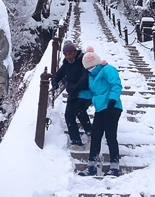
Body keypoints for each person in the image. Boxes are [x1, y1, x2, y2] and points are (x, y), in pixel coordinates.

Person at [78, 46, 123, 177]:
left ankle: (114, 167)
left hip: (112, 107)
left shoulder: (107, 69)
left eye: (91, 66)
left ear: (96, 63)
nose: (90, 69)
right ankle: (91, 166)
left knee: (110, 136)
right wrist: (77, 95)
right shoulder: (92, 76)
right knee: (96, 136)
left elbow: (116, 85)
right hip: (100, 108)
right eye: (87, 68)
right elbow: (93, 92)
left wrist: (112, 100)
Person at [50, 41, 92, 146]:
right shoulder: (66, 64)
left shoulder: (82, 60)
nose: (68, 57)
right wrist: (54, 83)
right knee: (68, 115)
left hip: (84, 92)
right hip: (73, 92)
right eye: (65, 54)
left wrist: (76, 87)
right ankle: (76, 140)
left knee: (79, 110)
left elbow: (85, 76)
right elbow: (58, 74)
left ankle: (90, 132)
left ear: (75, 52)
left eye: (70, 54)